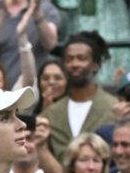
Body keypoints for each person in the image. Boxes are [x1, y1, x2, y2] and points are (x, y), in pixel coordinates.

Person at [44, 31, 118, 160]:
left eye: (81, 58)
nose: (75, 64)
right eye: (69, 59)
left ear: (95, 65)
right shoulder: (51, 114)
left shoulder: (114, 108)